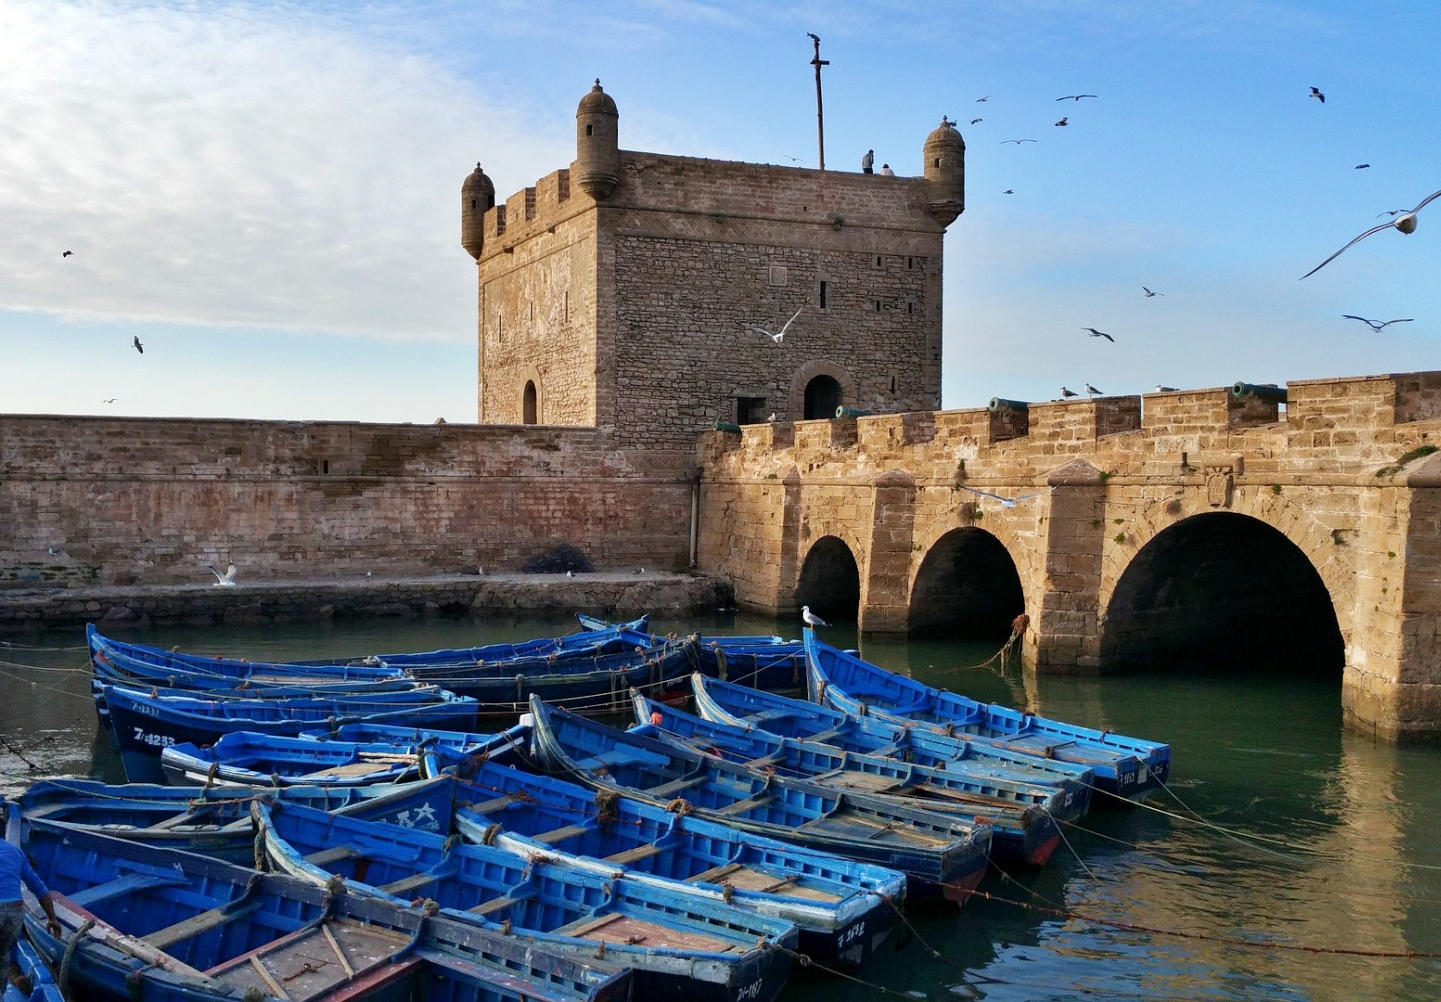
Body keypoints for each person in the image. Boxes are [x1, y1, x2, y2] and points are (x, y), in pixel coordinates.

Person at [0, 838, 61, 981]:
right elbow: (39, 888)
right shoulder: (15, 852)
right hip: (14, 910)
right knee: (2, 957)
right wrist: (52, 919)